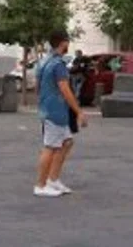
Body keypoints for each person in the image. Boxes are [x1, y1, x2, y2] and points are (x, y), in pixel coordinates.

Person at [34, 30, 86, 198]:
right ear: (63, 42)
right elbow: (65, 89)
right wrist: (78, 111)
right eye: (67, 41)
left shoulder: (44, 61)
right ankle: (41, 185)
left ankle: (53, 179)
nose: (68, 45)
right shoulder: (58, 64)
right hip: (55, 111)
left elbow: (37, 86)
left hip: (49, 108)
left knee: (67, 142)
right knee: (50, 147)